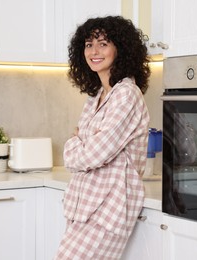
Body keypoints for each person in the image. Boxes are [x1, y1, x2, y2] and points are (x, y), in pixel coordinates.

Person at [55, 16, 151, 260]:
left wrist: (77, 141)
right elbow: (82, 150)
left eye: (103, 43)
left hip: (108, 207)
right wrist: (80, 143)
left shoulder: (127, 94)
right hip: (84, 205)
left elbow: (94, 153)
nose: (94, 51)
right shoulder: (97, 95)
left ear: (121, 48)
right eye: (88, 44)